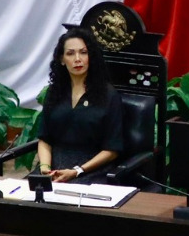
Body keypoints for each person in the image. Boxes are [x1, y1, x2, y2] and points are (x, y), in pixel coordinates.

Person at [36, 29, 125, 183]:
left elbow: (112, 150)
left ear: (91, 57)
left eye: (83, 52)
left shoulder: (109, 95)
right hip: (54, 167)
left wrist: (77, 171)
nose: (78, 59)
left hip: (92, 169)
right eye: (70, 53)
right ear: (62, 59)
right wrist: (45, 168)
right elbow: (45, 138)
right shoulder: (54, 92)